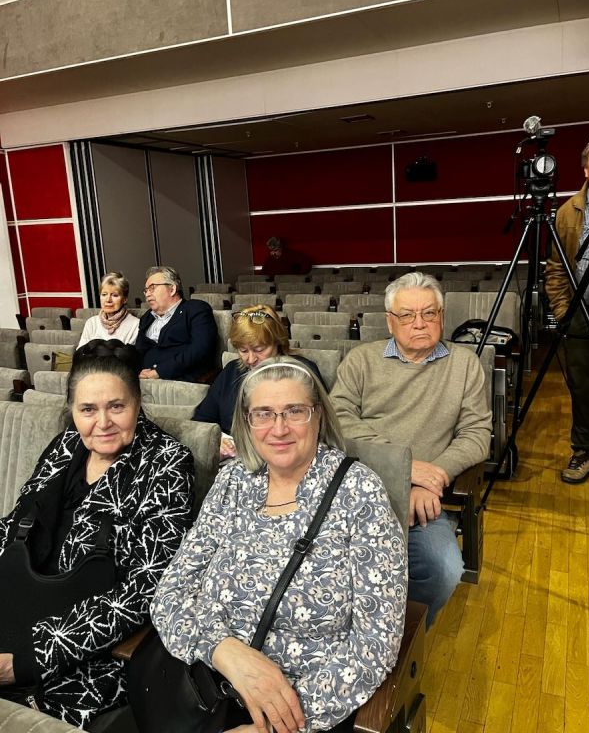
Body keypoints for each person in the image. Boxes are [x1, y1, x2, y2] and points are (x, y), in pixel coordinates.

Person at [152, 357, 407, 733]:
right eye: (264, 414)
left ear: (318, 416)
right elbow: (170, 593)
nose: (279, 428)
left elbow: (375, 643)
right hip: (205, 687)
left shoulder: (359, 492)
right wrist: (224, 651)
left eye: (295, 411)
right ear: (247, 422)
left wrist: (275, 726)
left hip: (302, 710)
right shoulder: (233, 481)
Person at [0, 340, 194, 728]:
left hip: (84, 654)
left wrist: (27, 659)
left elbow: (145, 590)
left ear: (137, 403)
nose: (102, 423)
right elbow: (15, 525)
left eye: (116, 407)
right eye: (87, 409)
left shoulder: (167, 464)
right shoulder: (65, 444)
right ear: (73, 410)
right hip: (16, 608)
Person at [330, 272, 491, 627]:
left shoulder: (464, 364)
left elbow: (477, 433)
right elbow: (338, 421)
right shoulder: (361, 360)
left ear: (442, 316)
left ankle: (401, 637)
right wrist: (405, 469)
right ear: (390, 321)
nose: (419, 323)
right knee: (330, 567)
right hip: (357, 487)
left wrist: (433, 477)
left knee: (444, 570)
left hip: (422, 497)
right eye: (407, 315)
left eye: (429, 313)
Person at [193, 305, 324, 459]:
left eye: (259, 350)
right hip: (233, 458)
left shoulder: (302, 371)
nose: (250, 359)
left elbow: (321, 426)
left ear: (277, 342)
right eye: (243, 350)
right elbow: (202, 420)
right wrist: (218, 439)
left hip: (287, 455)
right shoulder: (231, 371)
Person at [545, 134, 589, 484]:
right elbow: (556, 269)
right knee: (584, 388)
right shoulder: (568, 212)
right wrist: (565, 313)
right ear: (586, 170)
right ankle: (587, 452)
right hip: (583, 313)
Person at [136, 265, 217, 382]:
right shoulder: (147, 317)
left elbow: (199, 350)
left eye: (152, 288)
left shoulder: (195, 309)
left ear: (172, 289)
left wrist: (159, 372)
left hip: (180, 380)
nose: (147, 294)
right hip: (143, 379)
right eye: (146, 290)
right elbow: (139, 351)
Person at [77, 271, 139, 348]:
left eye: (115, 295)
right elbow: (80, 353)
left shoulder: (135, 325)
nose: (108, 300)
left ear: (124, 299)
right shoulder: (91, 323)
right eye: (104, 294)